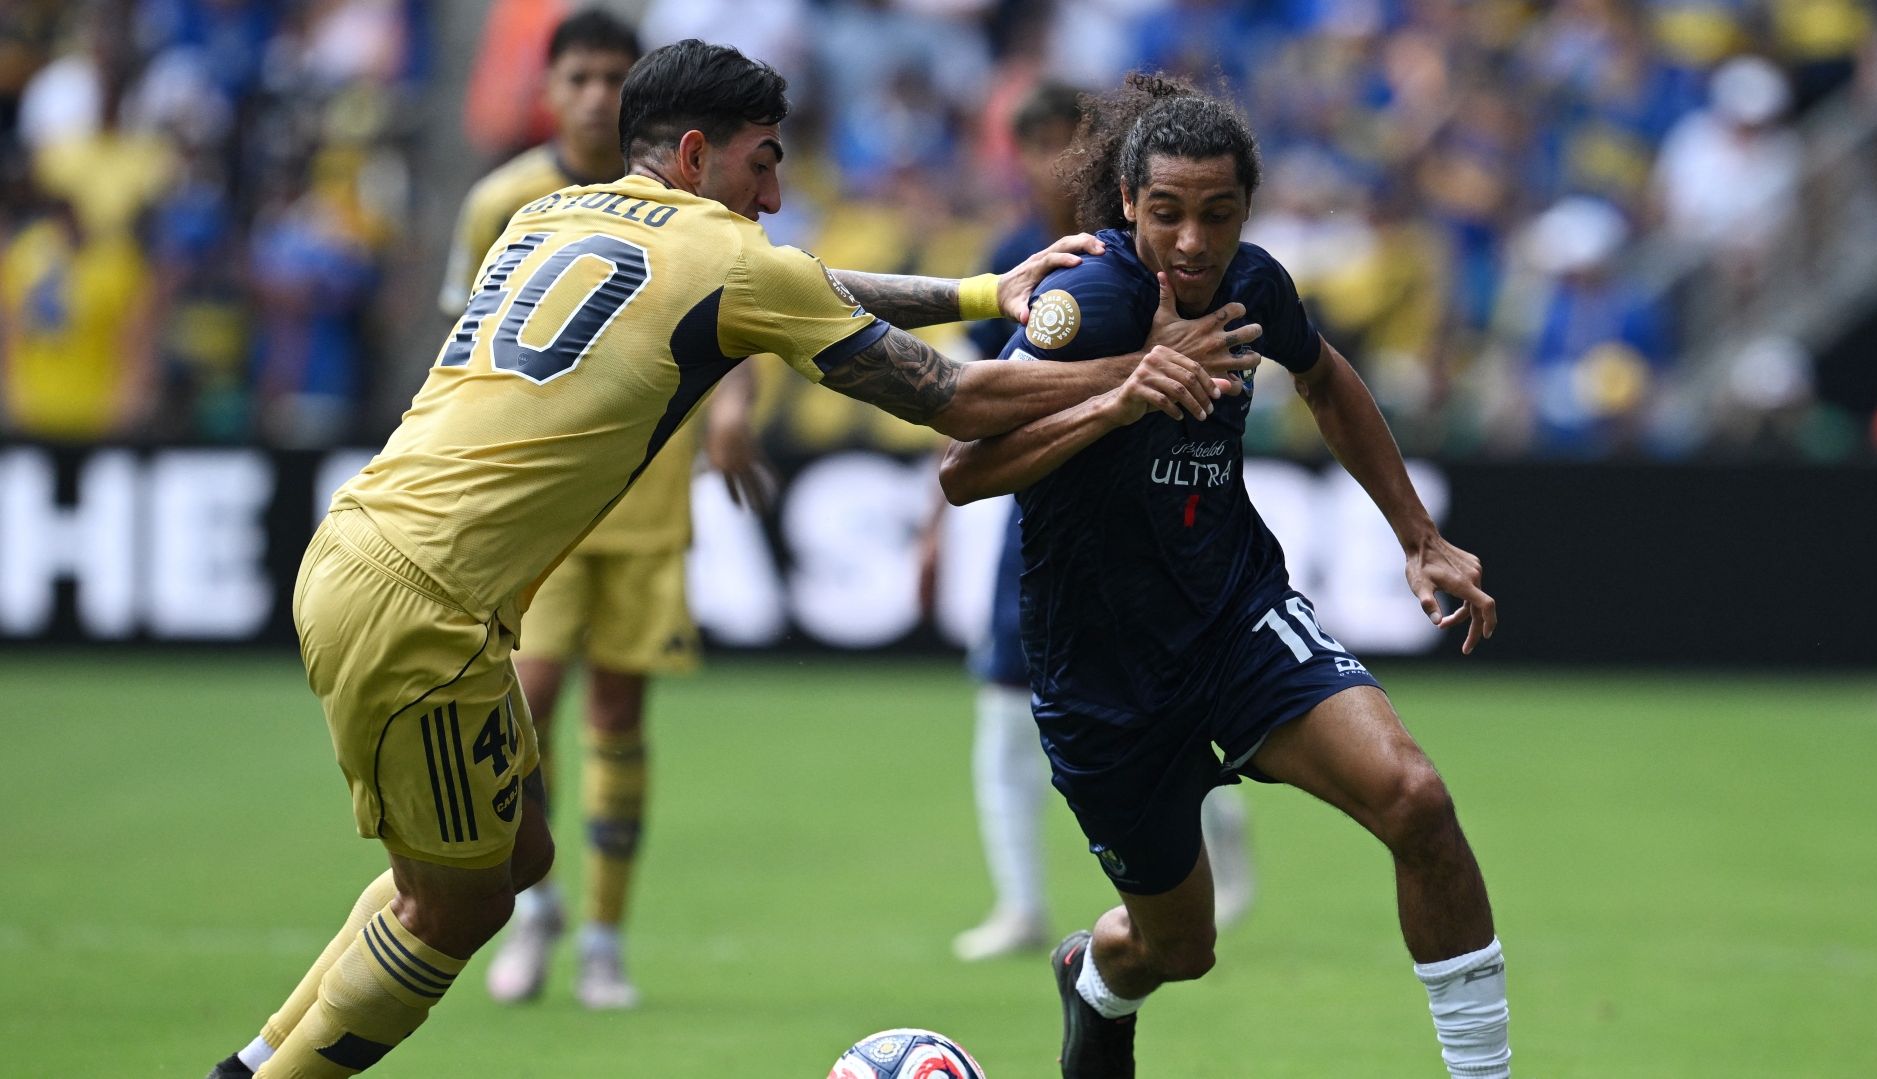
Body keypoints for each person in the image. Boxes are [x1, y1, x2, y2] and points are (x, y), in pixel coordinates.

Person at [204, 40, 1255, 1079]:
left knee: (513, 858)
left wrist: (981, 294)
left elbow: (804, 283)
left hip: (365, 548)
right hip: (423, 603)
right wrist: (1142, 368)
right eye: (764, 161)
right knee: (458, 901)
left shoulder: (550, 212)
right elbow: (959, 398)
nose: (778, 190)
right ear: (699, 153)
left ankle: (249, 1064)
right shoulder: (730, 261)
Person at [940, 73, 1509, 1079]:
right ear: (1126, 202)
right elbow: (963, 470)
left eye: (1218, 212)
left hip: (1236, 618)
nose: (1194, 242)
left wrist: (1416, 533)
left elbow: (1324, 375)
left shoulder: (1256, 282)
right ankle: (1093, 974)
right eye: (1167, 213)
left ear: (1247, 207)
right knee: (1178, 949)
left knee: (1416, 799)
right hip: (1103, 675)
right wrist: (1119, 395)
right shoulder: (1089, 302)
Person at [438, 7, 763, 1013]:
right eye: (577, 77)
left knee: (621, 715)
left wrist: (734, 409)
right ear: (550, 88)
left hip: (647, 498)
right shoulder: (503, 198)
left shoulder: (700, 201)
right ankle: (534, 912)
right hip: (541, 511)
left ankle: (604, 942)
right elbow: (468, 337)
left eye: (610, 80)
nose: (592, 96)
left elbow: (746, 312)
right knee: (524, 713)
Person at [940, 80, 1255, 963]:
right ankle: (1019, 901)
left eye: (1060, 142)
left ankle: (1220, 833)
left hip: (1148, 518)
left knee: (1175, 703)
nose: (1045, 163)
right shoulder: (1016, 257)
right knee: (1005, 699)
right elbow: (978, 410)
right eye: (1031, 143)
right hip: (1044, 512)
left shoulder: (1160, 261)